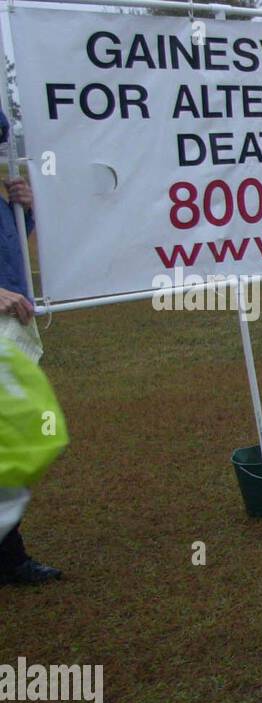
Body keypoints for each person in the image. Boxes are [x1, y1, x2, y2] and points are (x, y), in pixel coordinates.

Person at [0, 106, 60, 587]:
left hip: (10, 333)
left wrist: (25, 211)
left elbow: (14, 247)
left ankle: (9, 555)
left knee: (11, 443)